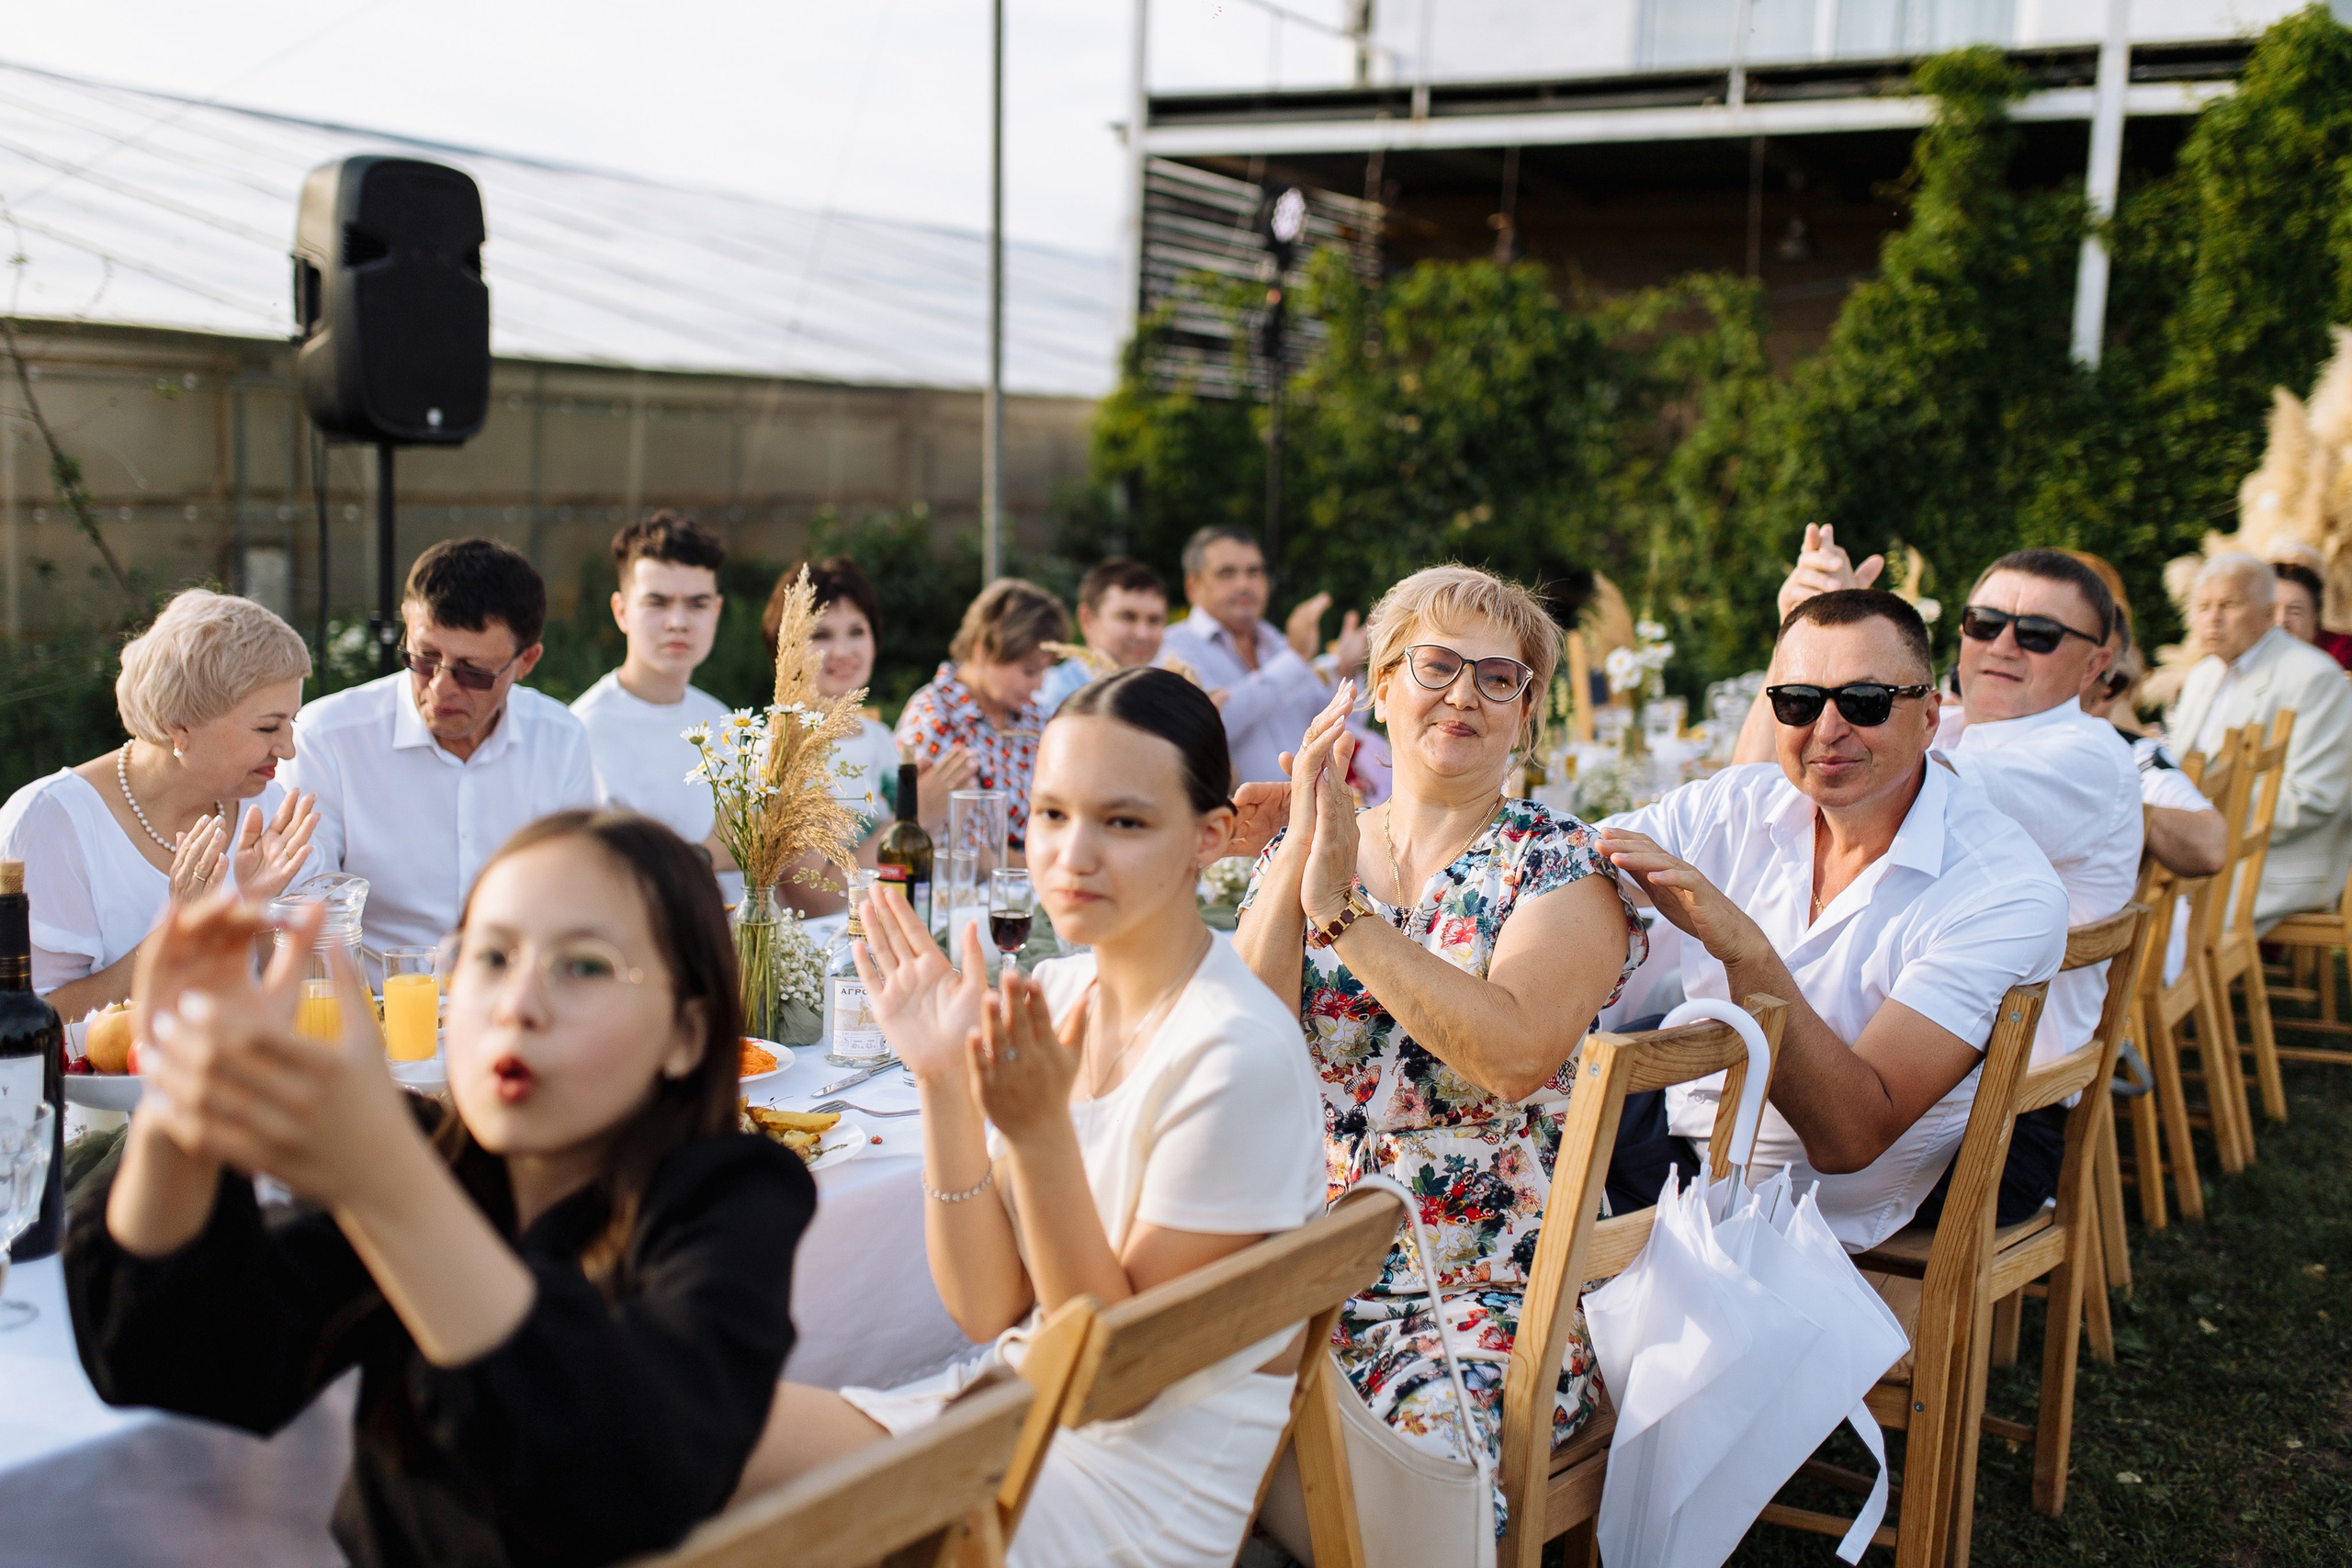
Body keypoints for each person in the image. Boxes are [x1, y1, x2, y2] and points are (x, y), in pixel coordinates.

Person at [66, 811, 818, 1567]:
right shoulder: (435, 1160)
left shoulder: (732, 1196)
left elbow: (633, 1477)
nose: (517, 1002)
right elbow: (176, 1353)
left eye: (583, 965)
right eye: (491, 956)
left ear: (688, 1032)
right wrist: (178, 1104)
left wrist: (385, 1177)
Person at [735, 668, 1324, 1568]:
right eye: (1050, 815)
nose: (1071, 855)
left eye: (1122, 822)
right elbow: (985, 1307)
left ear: (1210, 839)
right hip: (1002, 1406)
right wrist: (941, 1084)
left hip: (1109, 1497)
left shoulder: (1235, 1053)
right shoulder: (1053, 990)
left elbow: (1113, 1389)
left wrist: (1042, 1132)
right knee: (667, 1414)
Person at [1233, 564, 1645, 1506]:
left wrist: (1340, 913)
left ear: (1525, 714)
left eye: (1498, 678)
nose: (1464, 692)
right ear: (1378, 686)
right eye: (1435, 665)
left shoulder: (1559, 867)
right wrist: (1301, 844)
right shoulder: (1311, 847)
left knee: (1413, 1493)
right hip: (1288, 1264)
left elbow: (1510, 1055)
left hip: (1482, 1293)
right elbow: (1247, 1042)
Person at [1601, 590, 2069, 1248]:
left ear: (1931, 716)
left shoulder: (2001, 889)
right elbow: (1563, 867)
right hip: (1692, 1115)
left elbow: (1849, 1137)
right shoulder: (1739, 803)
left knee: (1519, 1150)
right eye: (1798, 701)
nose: (1827, 729)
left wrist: (1747, 954)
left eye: (1865, 702)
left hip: (1796, 1208)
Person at [1741, 536, 2142, 1085]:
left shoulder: (2083, 758)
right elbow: (1748, 791)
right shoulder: (1949, 725)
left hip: (1982, 1105)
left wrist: (1813, 649)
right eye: (1984, 623)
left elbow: (1779, 784)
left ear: (2096, 663)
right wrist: (1805, 640)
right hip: (1874, 1052)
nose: (2003, 645)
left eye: (2038, 635)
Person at [0, 589, 318, 1016]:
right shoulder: (49, 823)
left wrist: (260, 911)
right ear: (179, 726)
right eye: (267, 728)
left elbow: (305, 1008)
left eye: (291, 721)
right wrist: (177, 932)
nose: (289, 749)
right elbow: (29, 1020)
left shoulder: (268, 808)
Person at [284, 539, 598, 959]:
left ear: (526, 662)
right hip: (375, 1007)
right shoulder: (328, 738)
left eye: (473, 672)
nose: (440, 687)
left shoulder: (560, 738)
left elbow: (576, 891)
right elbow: (307, 909)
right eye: (424, 658)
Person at [760, 558, 975, 918]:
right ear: (785, 647)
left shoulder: (878, 737)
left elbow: (911, 869)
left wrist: (941, 805)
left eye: (857, 631)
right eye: (820, 635)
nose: (843, 651)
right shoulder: (779, 750)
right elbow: (815, 900)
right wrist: (914, 818)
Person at [2168, 550, 2352, 929]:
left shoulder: (2315, 677)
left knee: (2154, 921)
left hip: (2271, 861)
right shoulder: (2204, 674)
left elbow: (2314, 800)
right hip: (2194, 848)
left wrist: (2198, 816)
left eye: (2228, 605)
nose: (2213, 619)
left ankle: (2158, 985)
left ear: (2268, 614)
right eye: (2203, 606)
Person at [571, 512, 740, 903]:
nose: (678, 622)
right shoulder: (581, 731)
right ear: (621, 611)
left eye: (697, 604)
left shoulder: (726, 722)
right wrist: (710, 852)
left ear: (716, 611)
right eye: (657, 603)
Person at [1159, 526, 1369, 787]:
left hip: (1307, 817)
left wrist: (1348, 672)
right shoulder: (1172, 649)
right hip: (1232, 821)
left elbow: (1336, 725)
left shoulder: (1277, 643)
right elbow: (1207, 725)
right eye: (1227, 573)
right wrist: (1295, 658)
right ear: (1192, 587)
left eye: (1254, 572)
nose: (1244, 584)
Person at [895, 578, 1069, 852]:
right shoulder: (935, 716)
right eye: (1030, 671)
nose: (1039, 686)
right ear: (983, 651)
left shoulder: (1031, 716)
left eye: (1045, 671)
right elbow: (956, 845)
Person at [1035, 557, 1169, 715]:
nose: (1142, 634)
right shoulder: (1053, 697)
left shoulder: (1166, 694)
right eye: (1127, 617)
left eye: (1154, 620)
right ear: (1088, 620)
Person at [2270, 558, 2352, 669]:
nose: (2280, 621)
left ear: (2316, 616)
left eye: (2295, 610)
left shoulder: (2342, 651)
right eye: (2271, 610)